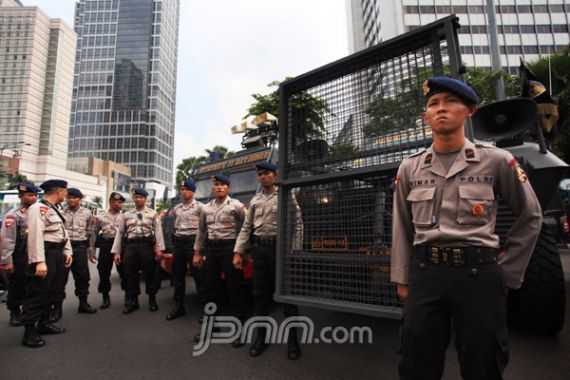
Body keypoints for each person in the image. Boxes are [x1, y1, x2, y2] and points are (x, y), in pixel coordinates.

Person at [391, 76, 543, 380]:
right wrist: (403, 278)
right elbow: (401, 224)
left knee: (483, 363)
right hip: (426, 275)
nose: (441, 109)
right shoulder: (411, 167)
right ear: (426, 117)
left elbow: (531, 215)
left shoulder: (496, 160)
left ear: (470, 110)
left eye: (451, 101)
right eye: (433, 104)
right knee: (416, 362)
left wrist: (507, 274)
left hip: (479, 277)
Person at [233, 162, 303, 360]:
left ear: (275, 174)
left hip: (280, 250)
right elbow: (246, 228)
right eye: (260, 174)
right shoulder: (255, 201)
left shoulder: (285, 195)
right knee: (259, 295)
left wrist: (294, 250)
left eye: (266, 173)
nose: (263, 177)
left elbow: (297, 223)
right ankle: (261, 338)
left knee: (288, 297)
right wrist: (238, 252)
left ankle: (292, 340)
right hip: (260, 251)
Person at [193, 174, 247, 347]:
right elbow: (201, 231)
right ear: (212, 188)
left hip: (230, 249)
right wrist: (197, 252)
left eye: (222, 185)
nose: (219, 187)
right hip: (212, 250)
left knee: (235, 289)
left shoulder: (236, 205)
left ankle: (240, 329)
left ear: (228, 188)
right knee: (210, 289)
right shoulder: (206, 208)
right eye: (216, 184)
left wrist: (243, 251)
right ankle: (210, 327)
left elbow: (247, 227)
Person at [20, 179, 73, 348]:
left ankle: (43, 323)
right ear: (59, 191)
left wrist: (67, 251)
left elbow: (63, 233)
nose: (66, 194)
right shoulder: (38, 209)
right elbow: (35, 236)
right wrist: (39, 262)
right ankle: (29, 332)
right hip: (45, 254)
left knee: (52, 291)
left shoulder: (54, 209)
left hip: (57, 253)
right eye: (65, 191)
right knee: (37, 292)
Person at [112, 188, 166, 314]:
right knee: (131, 275)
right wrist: (116, 251)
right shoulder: (126, 215)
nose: (138, 199)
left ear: (145, 199)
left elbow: (158, 233)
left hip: (146, 246)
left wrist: (159, 250)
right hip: (130, 247)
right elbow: (120, 233)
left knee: (150, 274)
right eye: (136, 197)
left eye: (141, 197)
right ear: (133, 198)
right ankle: (133, 302)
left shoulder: (153, 214)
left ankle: (152, 300)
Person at [166, 178, 207, 321]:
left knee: (199, 277)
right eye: (182, 189)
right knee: (178, 277)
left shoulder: (201, 207)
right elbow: (173, 225)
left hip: (193, 243)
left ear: (193, 191)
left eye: (187, 189)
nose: (184, 192)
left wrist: (201, 249)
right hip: (179, 244)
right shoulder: (176, 208)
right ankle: (179, 306)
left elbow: (204, 228)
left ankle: (207, 310)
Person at [0, 183, 40, 327]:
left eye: (35, 195)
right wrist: (7, 261)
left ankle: (29, 312)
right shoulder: (13, 215)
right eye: (30, 195)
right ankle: (15, 312)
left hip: (34, 254)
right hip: (19, 255)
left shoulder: (39, 212)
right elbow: (8, 240)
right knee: (17, 285)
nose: (34, 198)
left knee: (33, 285)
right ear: (21, 196)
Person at [56, 188, 97, 317]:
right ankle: (57, 308)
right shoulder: (60, 212)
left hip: (80, 247)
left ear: (80, 199)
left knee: (82, 276)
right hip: (64, 249)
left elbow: (90, 233)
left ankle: (83, 303)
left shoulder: (87, 213)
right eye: (69, 197)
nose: (71, 200)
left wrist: (91, 251)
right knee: (60, 278)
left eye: (74, 198)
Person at [92, 192, 128, 309]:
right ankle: (105, 297)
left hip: (121, 246)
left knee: (125, 272)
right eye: (119, 202)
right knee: (103, 272)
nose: (121, 205)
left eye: (122, 202)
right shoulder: (100, 217)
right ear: (111, 202)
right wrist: (91, 250)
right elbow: (94, 233)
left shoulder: (125, 216)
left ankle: (128, 296)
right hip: (106, 245)